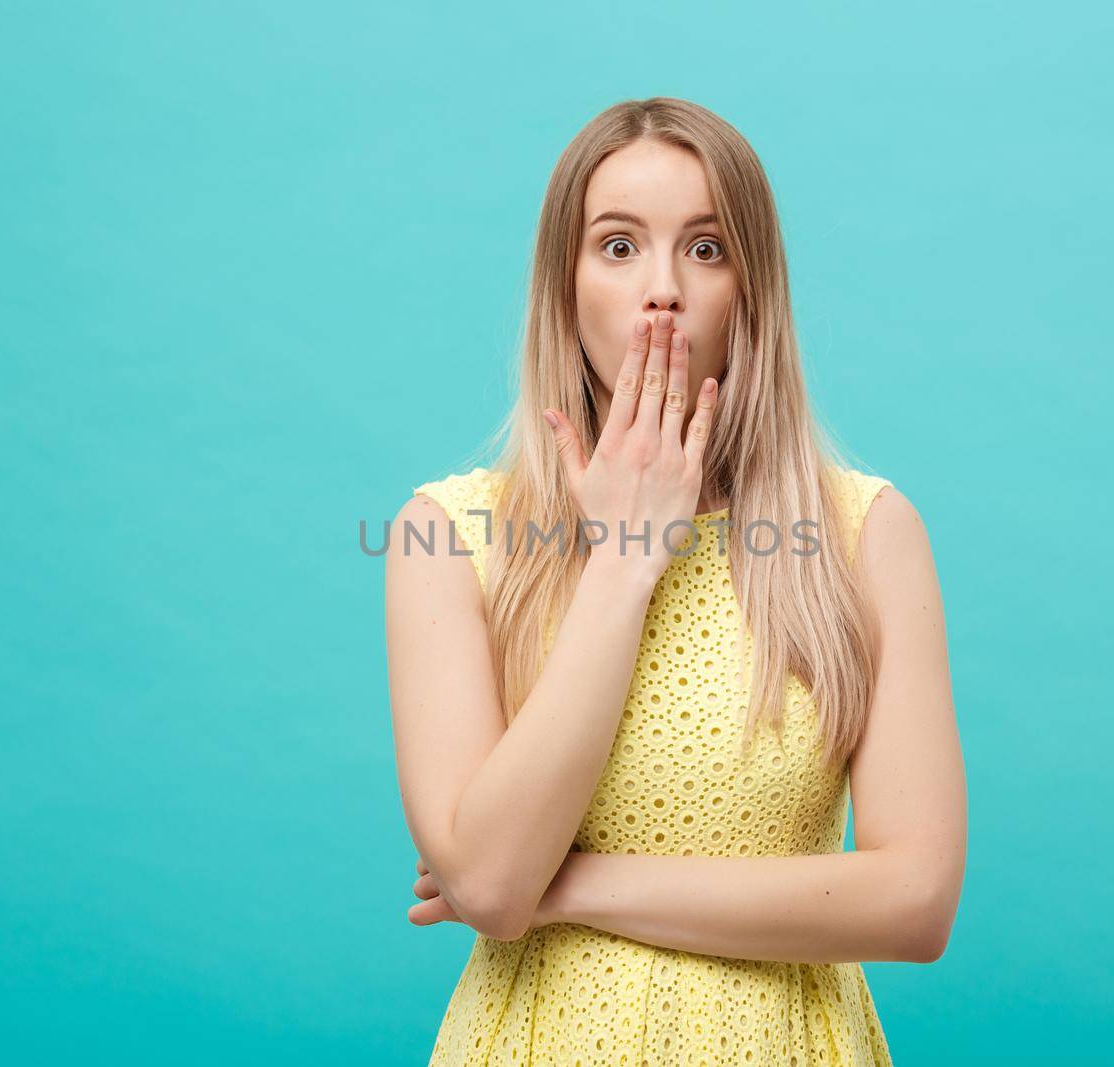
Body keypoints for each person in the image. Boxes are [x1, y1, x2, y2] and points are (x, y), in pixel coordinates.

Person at [384, 96, 965, 1065]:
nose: (662, 289)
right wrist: (625, 555)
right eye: (617, 247)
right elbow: (488, 883)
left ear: (752, 288)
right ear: (563, 288)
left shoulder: (868, 533)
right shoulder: (445, 535)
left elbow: (915, 900)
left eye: (704, 248)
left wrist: (564, 886)